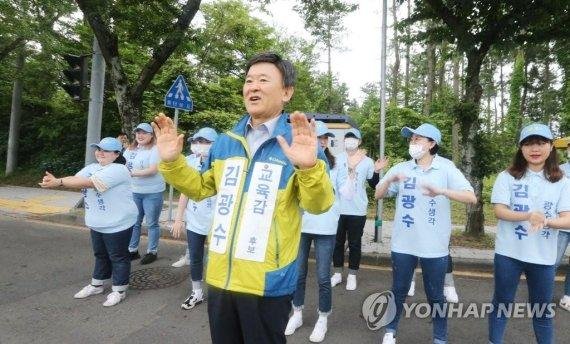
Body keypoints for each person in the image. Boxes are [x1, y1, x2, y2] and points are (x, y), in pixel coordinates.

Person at [154, 52, 334, 344]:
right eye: (249, 80)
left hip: (267, 282)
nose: (253, 87)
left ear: (286, 92)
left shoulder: (299, 144)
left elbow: (319, 204)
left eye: (264, 80)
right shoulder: (226, 141)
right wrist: (173, 163)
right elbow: (201, 188)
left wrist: (309, 166)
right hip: (221, 277)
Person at [375, 123, 477, 344]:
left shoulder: (446, 168)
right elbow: (378, 195)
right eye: (412, 139)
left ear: (432, 144)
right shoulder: (401, 168)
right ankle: (390, 331)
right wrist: (389, 180)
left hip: (434, 246)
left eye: (418, 139)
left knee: (435, 295)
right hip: (403, 244)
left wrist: (441, 191)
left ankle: (440, 337)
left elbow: (471, 197)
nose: (413, 143)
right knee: (398, 290)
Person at [488, 123, 570, 344]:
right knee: (502, 303)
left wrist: (546, 220)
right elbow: (499, 211)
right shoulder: (506, 177)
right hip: (508, 253)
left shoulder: (562, 181)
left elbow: (568, 219)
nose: (535, 149)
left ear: (551, 147)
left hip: (543, 257)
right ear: (521, 148)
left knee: (542, 309)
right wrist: (527, 215)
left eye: (541, 143)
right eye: (529, 143)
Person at [39, 137, 138, 307]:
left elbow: (89, 183)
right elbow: (76, 180)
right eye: (98, 149)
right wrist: (59, 181)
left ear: (116, 154)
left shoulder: (119, 170)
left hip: (118, 222)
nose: (100, 153)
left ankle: (119, 290)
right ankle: (97, 285)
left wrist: (59, 182)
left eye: (106, 150)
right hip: (98, 222)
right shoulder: (93, 167)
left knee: (118, 257)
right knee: (100, 255)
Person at [284, 121, 348, 342]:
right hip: (302, 225)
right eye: (317, 137)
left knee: (322, 277)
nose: (321, 141)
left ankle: (323, 318)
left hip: (326, 227)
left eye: (323, 138)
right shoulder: (295, 162)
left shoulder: (337, 163)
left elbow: (344, 193)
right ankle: (297, 313)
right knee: (298, 274)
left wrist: (354, 174)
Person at [171, 127, 218, 309]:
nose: (200, 145)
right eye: (197, 141)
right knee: (196, 256)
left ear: (215, 144)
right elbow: (185, 192)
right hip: (195, 219)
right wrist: (178, 218)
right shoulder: (190, 162)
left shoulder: (223, 162)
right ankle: (196, 291)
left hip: (217, 221)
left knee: (216, 259)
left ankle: (217, 293)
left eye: (205, 142)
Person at [331, 128, 384, 291]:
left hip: (357, 210)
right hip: (338, 209)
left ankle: (352, 275)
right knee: (337, 243)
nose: (350, 140)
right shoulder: (336, 159)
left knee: (355, 243)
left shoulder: (367, 161)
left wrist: (376, 170)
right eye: (347, 138)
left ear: (359, 142)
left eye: (353, 138)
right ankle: (338, 273)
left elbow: (373, 184)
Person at [124, 123, 166, 264]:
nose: (140, 136)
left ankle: (152, 252)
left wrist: (131, 173)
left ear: (151, 135)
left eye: (144, 133)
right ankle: (132, 250)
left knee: (152, 223)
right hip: (134, 191)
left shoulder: (155, 149)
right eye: (138, 133)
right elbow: (122, 166)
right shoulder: (130, 149)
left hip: (152, 192)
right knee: (135, 222)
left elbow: (153, 170)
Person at [556, 143, 570, 312]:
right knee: (552, 262)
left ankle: (568, 295)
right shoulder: (559, 170)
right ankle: (540, 294)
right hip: (560, 225)